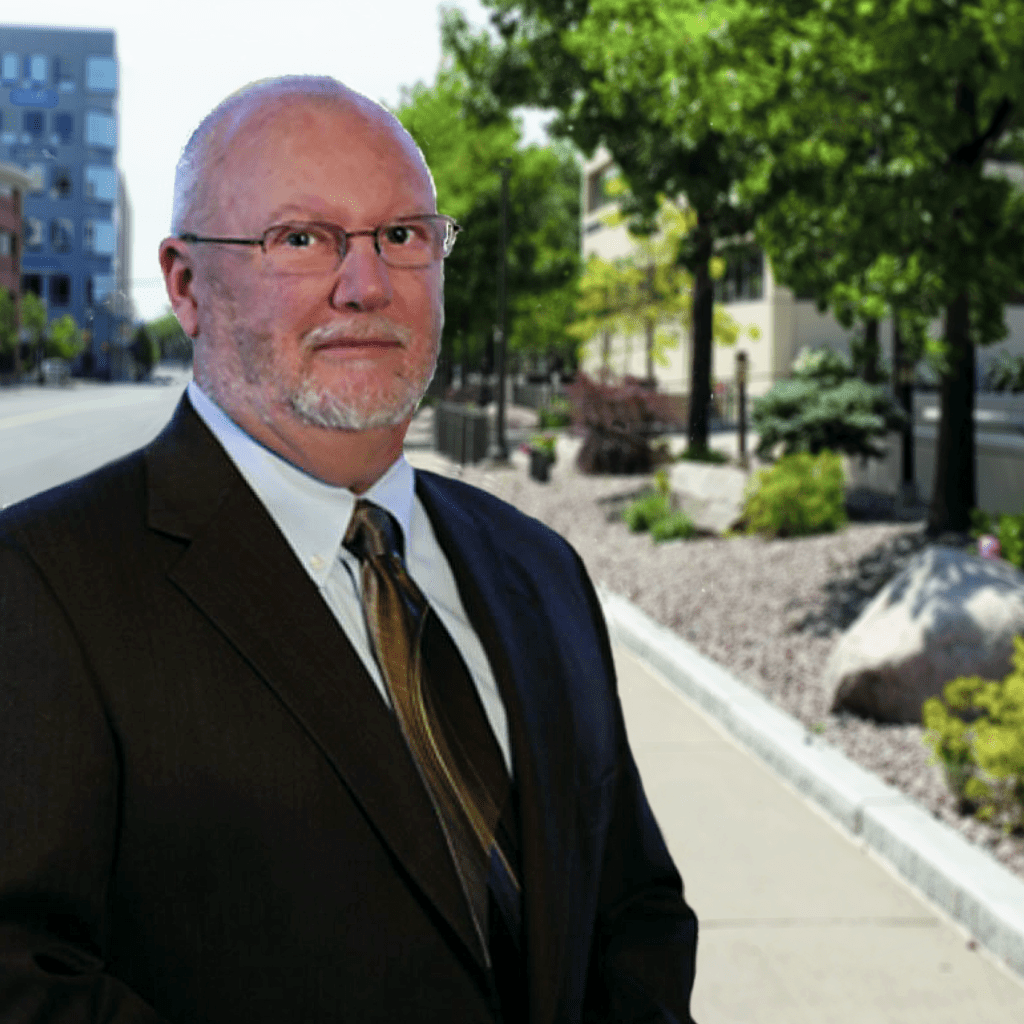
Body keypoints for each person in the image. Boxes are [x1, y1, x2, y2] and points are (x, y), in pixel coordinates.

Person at [0, 77, 698, 1023]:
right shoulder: (40, 587)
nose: (365, 284)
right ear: (185, 284)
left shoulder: (539, 569)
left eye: (403, 236)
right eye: (301, 238)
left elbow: (635, 910)